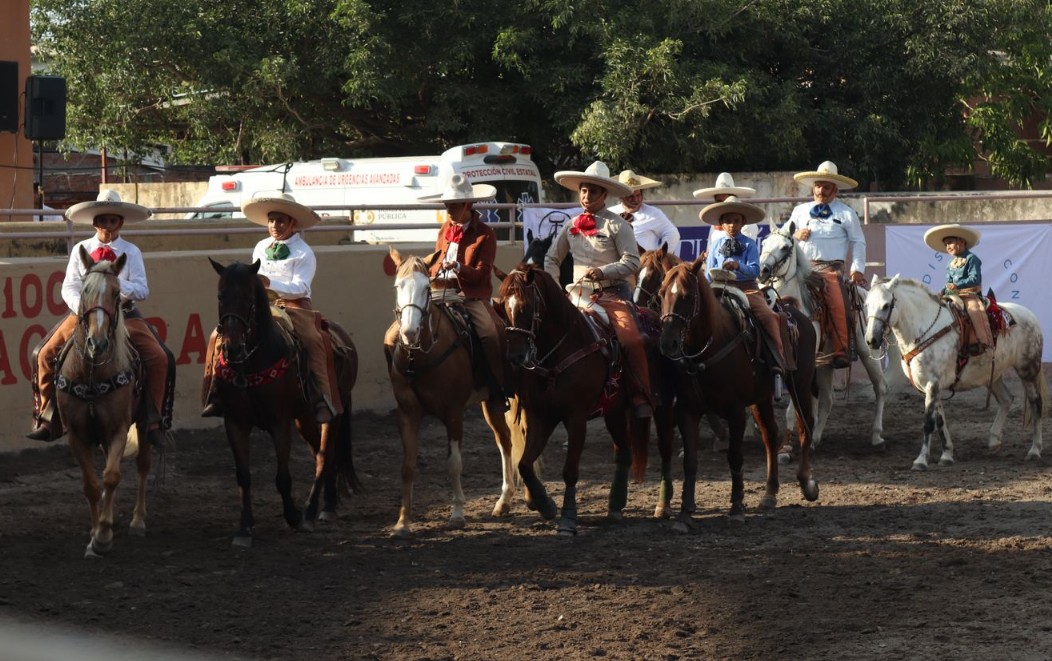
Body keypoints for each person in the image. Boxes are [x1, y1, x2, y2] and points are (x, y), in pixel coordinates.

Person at [28, 190, 175, 441]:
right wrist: (82, 309)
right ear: (95, 222)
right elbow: (69, 286)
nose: (107, 226)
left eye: (112, 220)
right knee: (43, 353)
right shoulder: (80, 249)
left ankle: (152, 419)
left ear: (120, 222)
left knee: (161, 357)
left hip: (125, 315)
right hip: (84, 314)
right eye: (102, 220)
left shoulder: (132, 251)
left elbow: (142, 289)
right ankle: (47, 417)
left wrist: (116, 285)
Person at [200, 194, 340, 422]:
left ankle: (321, 397)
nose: (275, 225)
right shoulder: (260, 247)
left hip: (294, 306)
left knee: (313, 339)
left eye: (281, 221)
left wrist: (269, 283)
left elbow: (301, 287)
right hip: (261, 306)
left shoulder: (304, 252)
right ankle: (215, 392)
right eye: (272, 220)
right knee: (219, 335)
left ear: (292, 223)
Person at [544, 161, 653, 418]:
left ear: (604, 195)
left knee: (632, 339)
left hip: (613, 295)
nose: (586, 196)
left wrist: (603, 271)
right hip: (576, 296)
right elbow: (551, 259)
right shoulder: (570, 225)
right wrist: (553, 288)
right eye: (583, 191)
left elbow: (633, 262)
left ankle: (641, 394)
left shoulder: (618, 225)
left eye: (592, 192)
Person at [418, 174, 509, 413]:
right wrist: (433, 270)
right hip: (439, 290)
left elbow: (482, 274)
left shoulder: (485, 234)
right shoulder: (444, 229)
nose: (449, 211)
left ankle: (497, 387)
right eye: (447, 206)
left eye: (454, 206)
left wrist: (458, 267)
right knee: (411, 321)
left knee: (491, 332)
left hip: (469, 295)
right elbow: (436, 258)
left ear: (468, 205)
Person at [786, 160, 866, 368]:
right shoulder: (799, 211)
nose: (821, 190)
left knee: (837, 302)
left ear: (835, 189)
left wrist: (857, 269)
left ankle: (841, 348)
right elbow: (783, 236)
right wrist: (795, 234)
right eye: (818, 186)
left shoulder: (846, 213)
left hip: (830, 270)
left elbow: (858, 241)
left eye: (826, 187)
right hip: (801, 269)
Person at [702, 196, 786, 375]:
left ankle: (777, 358)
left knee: (768, 316)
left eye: (736, 221)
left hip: (747, 289)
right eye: (727, 221)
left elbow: (755, 271)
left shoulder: (749, 244)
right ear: (721, 224)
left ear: (743, 222)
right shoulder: (716, 244)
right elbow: (709, 271)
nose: (732, 225)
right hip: (719, 288)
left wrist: (738, 266)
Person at [924, 223, 993, 352]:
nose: (947, 247)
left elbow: (974, 279)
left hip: (970, 295)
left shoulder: (972, 259)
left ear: (961, 241)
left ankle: (982, 341)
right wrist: (942, 291)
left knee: (973, 309)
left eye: (950, 242)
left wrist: (957, 285)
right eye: (946, 245)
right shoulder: (950, 263)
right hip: (952, 295)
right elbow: (949, 282)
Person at [610, 169, 680, 254]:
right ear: (622, 196)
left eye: (638, 195)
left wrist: (659, 257)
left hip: (643, 265)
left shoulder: (653, 213)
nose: (636, 199)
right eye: (630, 196)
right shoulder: (610, 212)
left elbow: (672, 234)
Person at [694, 172, 760, 252]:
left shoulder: (748, 225)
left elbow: (744, 254)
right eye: (719, 201)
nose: (722, 204)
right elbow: (710, 251)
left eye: (726, 200)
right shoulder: (715, 223)